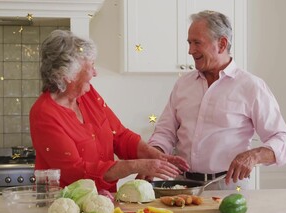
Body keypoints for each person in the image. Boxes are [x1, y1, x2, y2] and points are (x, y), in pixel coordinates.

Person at [148, 10, 286, 190]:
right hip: (182, 186)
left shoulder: (251, 86)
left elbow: (283, 140)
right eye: (189, 43)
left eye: (197, 43)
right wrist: (154, 157)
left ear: (222, 44)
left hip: (228, 188)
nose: (190, 50)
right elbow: (165, 132)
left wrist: (253, 156)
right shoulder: (183, 84)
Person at [30, 30, 189, 192]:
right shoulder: (44, 114)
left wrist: (156, 156)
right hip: (65, 204)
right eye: (90, 66)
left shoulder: (88, 95)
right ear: (67, 75)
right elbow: (76, 172)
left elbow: (120, 136)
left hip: (103, 201)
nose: (95, 72)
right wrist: (136, 165)